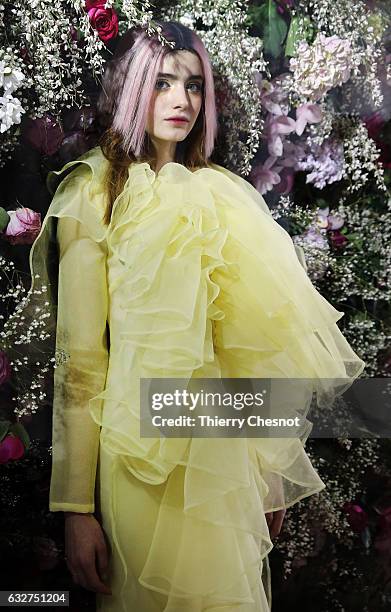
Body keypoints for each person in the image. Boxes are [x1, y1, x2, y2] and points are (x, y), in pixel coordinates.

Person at [28, 20, 365, 611]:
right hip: (137, 460)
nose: (181, 99)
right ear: (129, 88)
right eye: (161, 82)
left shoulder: (228, 194)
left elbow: (248, 350)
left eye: (193, 84)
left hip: (222, 458)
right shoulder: (94, 191)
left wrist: (268, 471)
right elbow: (80, 358)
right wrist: (75, 508)